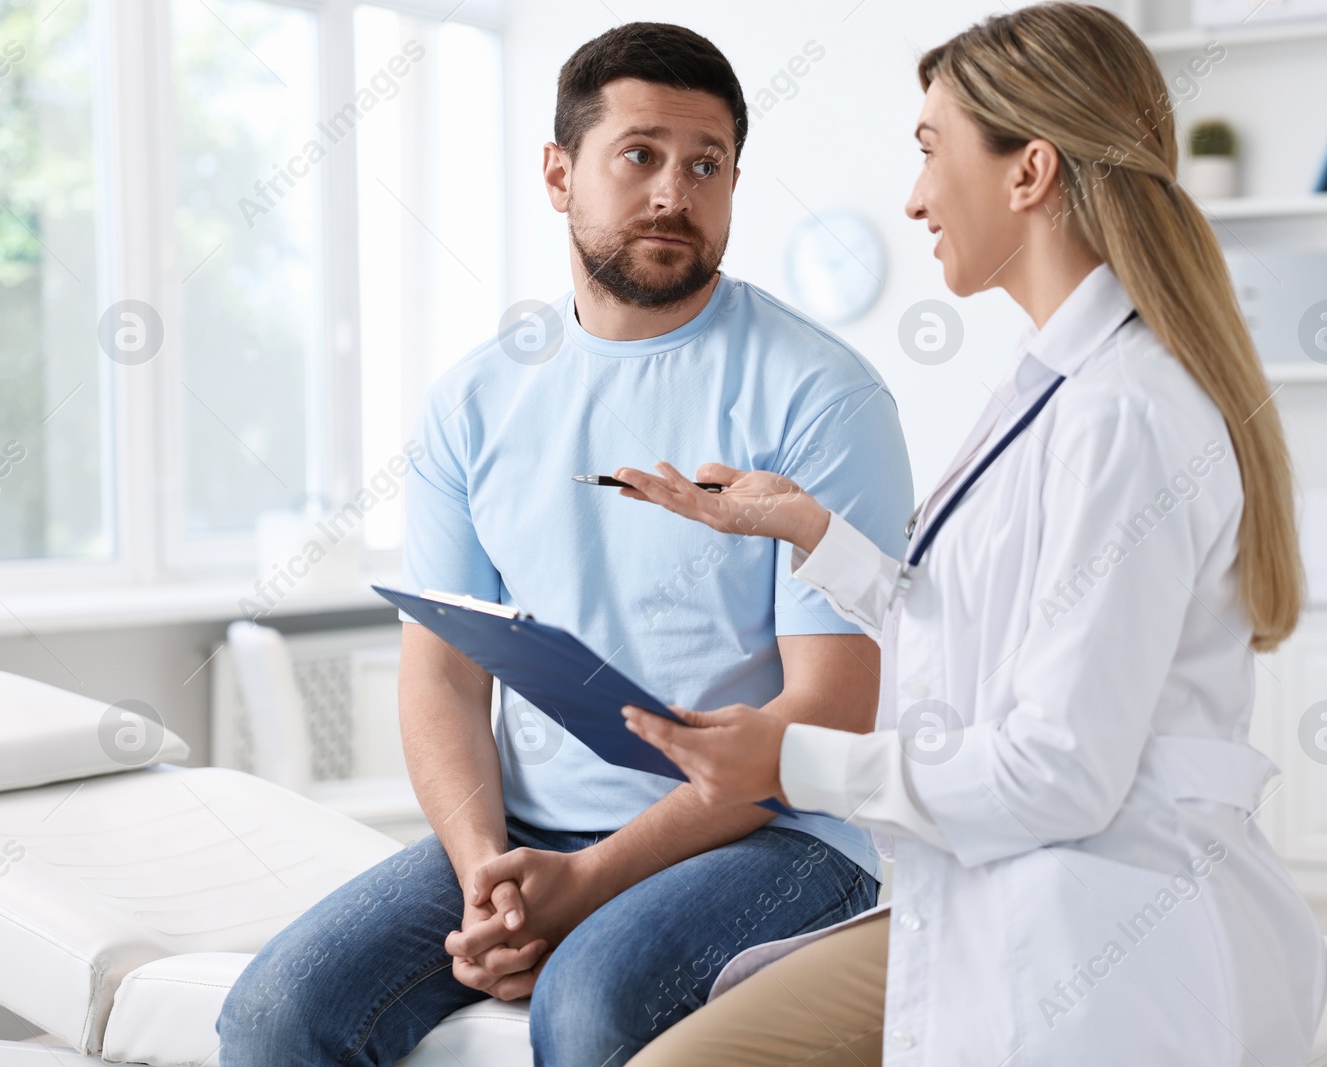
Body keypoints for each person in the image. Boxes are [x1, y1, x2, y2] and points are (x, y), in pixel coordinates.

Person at [614, 5, 1327, 1065]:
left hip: (1100, 925)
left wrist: (796, 758)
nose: (911, 198)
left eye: (927, 151)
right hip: (1013, 886)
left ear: (1028, 171)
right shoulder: (1055, 383)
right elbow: (984, 623)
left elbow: (1058, 773)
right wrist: (813, 532)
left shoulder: (1120, 411)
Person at [217, 21, 913, 1067]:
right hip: (535, 827)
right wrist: (490, 872)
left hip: (780, 834)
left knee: (587, 1007)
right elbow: (442, 676)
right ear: (559, 173)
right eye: (640, 154)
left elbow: (830, 706)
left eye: (706, 164)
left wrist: (588, 887)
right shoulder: (476, 401)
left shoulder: (822, 395)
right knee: (275, 1013)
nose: (675, 192)